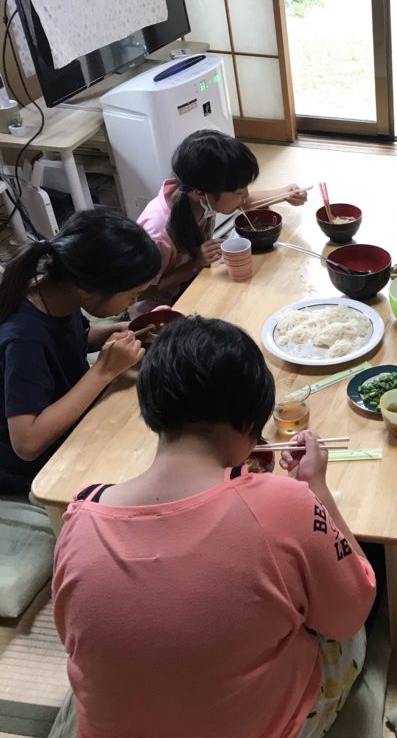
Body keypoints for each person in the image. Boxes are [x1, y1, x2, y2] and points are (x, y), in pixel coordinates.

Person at [51, 316, 376, 738]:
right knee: (352, 617)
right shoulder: (283, 504)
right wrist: (315, 489)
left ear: (152, 410)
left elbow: (76, 634)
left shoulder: (80, 512)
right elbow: (349, 613)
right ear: (249, 423)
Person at [0, 209, 161, 495]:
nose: (135, 301)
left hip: (71, 409)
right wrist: (104, 370)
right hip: (35, 462)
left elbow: (77, 339)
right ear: (88, 289)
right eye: (132, 296)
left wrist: (132, 328)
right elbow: (26, 444)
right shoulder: (23, 339)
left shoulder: (57, 288)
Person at [132, 129, 307, 317]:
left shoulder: (195, 193)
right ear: (200, 192)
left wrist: (284, 194)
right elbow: (138, 293)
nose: (245, 195)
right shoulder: (158, 233)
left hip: (195, 281)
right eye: (239, 192)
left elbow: (245, 202)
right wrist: (195, 264)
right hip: (160, 313)